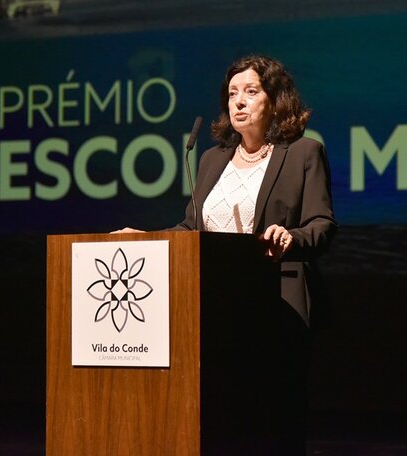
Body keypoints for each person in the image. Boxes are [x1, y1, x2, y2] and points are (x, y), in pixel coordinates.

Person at [113, 54, 338, 455]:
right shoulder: (211, 159)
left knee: (272, 423)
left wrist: (289, 238)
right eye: (232, 93)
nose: (239, 101)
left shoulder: (303, 152)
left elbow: (322, 225)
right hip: (215, 308)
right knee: (221, 420)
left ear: (275, 100)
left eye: (251, 91)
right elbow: (191, 230)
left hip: (276, 304)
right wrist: (145, 239)